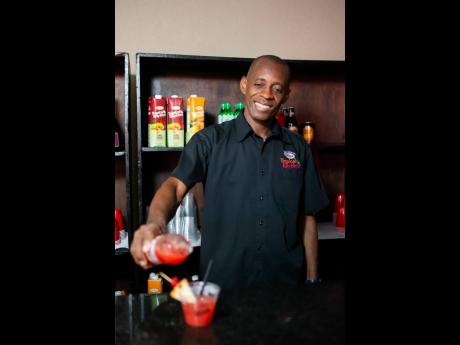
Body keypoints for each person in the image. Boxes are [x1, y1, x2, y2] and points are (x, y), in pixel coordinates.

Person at [130, 55, 329, 289]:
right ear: (244, 84)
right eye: (259, 84)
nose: (267, 94)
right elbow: (174, 188)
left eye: (277, 89)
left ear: (286, 95)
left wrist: (313, 278)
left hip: (285, 286)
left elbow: (307, 219)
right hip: (224, 287)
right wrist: (155, 224)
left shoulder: (298, 148)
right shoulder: (209, 141)